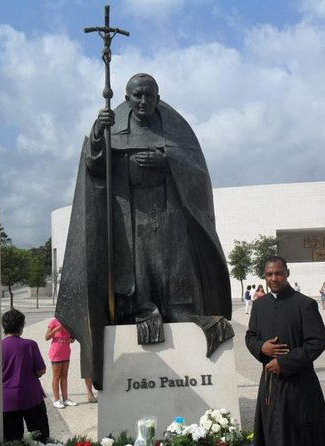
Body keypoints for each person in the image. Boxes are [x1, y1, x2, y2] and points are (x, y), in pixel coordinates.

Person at [55, 73, 232, 390]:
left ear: (158, 97)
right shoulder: (113, 126)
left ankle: (181, 313)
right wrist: (98, 131)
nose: (143, 101)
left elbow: (196, 168)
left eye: (149, 96)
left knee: (176, 266)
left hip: (168, 213)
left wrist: (166, 160)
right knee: (138, 269)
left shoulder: (175, 129)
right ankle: (142, 310)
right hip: (130, 214)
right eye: (137, 95)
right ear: (126, 98)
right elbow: (95, 166)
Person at [245, 256, 325, 445]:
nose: (274, 278)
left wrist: (284, 362)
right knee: (271, 431)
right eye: (269, 274)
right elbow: (250, 336)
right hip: (269, 384)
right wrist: (262, 347)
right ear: (264, 276)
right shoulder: (260, 305)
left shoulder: (305, 304)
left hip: (299, 385)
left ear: (287, 274)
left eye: (278, 273)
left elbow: (318, 341)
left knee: (297, 435)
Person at [1, 309, 50, 443]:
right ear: (21, 326)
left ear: (4, 326)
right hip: (31, 396)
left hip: (7, 399)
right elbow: (41, 370)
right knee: (40, 436)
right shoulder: (29, 345)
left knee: (12, 439)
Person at [45, 317, 77, 409]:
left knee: (64, 375)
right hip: (56, 352)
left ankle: (65, 399)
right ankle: (56, 400)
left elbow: (72, 338)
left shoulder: (69, 322)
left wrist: (72, 339)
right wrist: (56, 329)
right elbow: (46, 337)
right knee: (56, 376)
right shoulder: (54, 321)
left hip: (66, 352)